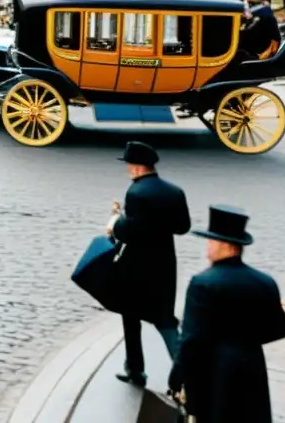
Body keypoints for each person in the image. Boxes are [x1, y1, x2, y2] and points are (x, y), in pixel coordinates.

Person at [168, 205, 285, 422]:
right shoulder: (265, 282)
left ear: (225, 245)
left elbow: (191, 340)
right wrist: (247, 339)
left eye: (210, 241)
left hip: (214, 370)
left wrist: (175, 379)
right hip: (252, 365)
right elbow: (281, 328)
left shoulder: (202, 283)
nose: (207, 248)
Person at [109, 141, 190, 387]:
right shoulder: (175, 191)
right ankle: (186, 374)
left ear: (136, 168)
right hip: (165, 264)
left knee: (130, 318)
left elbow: (128, 232)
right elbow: (182, 227)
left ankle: (136, 370)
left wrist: (116, 219)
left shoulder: (136, 192)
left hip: (136, 266)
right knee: (165, 321)